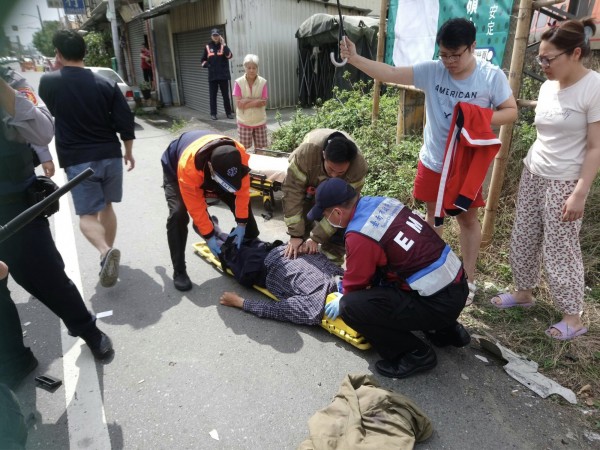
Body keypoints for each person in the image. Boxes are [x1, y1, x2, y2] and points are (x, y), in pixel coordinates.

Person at [340, 18, 518, 305]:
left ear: (472, 47)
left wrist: (475, 118)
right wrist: (355, 57)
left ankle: (468, 280)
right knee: (433, 218)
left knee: (468, 219)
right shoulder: (434, 71)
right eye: (444, 54)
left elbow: (510, 112)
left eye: (455, 55)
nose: (448, 61)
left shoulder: (490, 76)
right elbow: (390, 72)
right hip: (434, 161)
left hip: (464, 167)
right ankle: (433, 273)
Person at [0, 67, 113, 391]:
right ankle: (13, 359)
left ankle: (89, 331)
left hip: (15, 206)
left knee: (48, 278)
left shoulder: (10, 80)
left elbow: (42, 129)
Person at [489, 19, 600, 341]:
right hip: (534, 170)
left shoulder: (594, 86)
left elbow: (595, 148)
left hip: (566, 180)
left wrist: (580, 193)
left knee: (560, 248)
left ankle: (573, 316)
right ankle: (523, 292)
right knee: (523, 236)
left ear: (576, 53)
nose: (543, 65)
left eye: (549, 59)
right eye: (541, 58)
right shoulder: (548, 85)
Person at [309, 178, 470, 379]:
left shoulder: (359, 234)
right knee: (391, 270)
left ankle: (414, 353)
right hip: (458, 287)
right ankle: (446, 331)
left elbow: (357, 282)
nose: (326, 219)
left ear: (337, 212)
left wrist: (343, 296)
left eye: (325, 215)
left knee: (352, 307)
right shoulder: (382, 203)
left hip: (438, 304)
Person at [39, 30, 136, 288]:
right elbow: (125, 121)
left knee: (86, 216)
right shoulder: (105, 83)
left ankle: (105, 252)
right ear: (85, 53)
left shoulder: (49, 82)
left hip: (79, 159)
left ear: (58, 55)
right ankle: (108, 253)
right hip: (110, 155)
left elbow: (54, 109)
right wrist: (128, 151)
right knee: (107, 207)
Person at [161, 130, 259, 291]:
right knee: (178, 213)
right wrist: (208, 235)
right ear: (211, 169)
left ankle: (251, 241)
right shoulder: (188, 169)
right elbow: (196, 207)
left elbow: (242, 193)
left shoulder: (239, 156)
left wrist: (242, 224)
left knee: (242, 209)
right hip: (177, 166)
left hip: (219, 172)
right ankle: (179, 270)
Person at [282, 129, 367, 264]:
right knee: (303, 214)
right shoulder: (306, 154)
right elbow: (292, 193)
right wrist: (295, 234)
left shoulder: (358, 167)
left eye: (340, 172)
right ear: (323, 156)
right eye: (331, 169)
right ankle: (301, 248)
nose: (334, 175)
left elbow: (343, 211)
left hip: (337, 197)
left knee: (343, 222)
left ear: (349, 165)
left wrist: (317, 237)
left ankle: (331, 263)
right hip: (310, 184)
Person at [220, 243, 343, 325]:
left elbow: (276, 310)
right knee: (246, 240)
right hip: (284, 248)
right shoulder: (342, 275)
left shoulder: (315, 304)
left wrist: (239, 302)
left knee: (229, 251)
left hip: (263, 265)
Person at [232, 54, 268, 151]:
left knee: (261, 150)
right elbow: (239, 104)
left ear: (257, 68)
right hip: (244, 121)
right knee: (243, 150)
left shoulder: (263, 82)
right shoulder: (238, 82)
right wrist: (256, 101)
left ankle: (260, 167)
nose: (251, 70)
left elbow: (263, 102)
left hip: (260, 121)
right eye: (249, 68)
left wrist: (246, 101)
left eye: (254, 67)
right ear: (245, 68)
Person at [201, 28, 234, 120]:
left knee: (226, 96)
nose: (215, 37)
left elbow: (230, 56)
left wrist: (224, 44)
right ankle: (213, 114)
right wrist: (209, 65)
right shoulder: (207, 47)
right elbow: (202, 61)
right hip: (213, 76)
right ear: (211, 36)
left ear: (220, 36)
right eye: (214, 35)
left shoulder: (223, 46)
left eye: (217, 35)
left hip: (223, 76)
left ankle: (228, 113)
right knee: (213, 96)